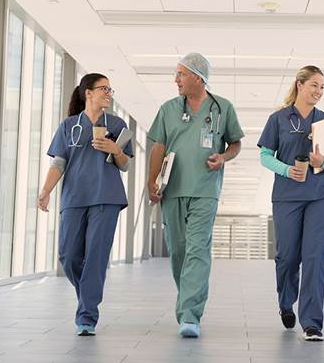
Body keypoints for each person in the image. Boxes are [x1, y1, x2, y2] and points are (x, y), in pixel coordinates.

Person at [147, 52, 244, 338]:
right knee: (178, 251)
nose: (175, 79)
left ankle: (190, 314)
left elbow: (235, 143)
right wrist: (151, 181)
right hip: (172, 189)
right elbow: (158, 147)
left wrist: (223, 157)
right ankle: (188, 298)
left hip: (204, 190)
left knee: (197, 249)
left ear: (198, 78)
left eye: (181, 74)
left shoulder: (223, 108)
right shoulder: (168, 109)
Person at [36, 73, 133, 336]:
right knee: (68, 256)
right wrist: (45, 191)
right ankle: (87, 295)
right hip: (74, 198)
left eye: (110, 89)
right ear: (88, 92)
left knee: (95, 259)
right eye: (104, 89)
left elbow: (125, 165)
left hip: (106, 197)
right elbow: (59, 163)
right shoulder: (69, 125)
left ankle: (87, 316)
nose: (108, 93)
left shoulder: (116, 124)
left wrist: (116, 150)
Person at [257, 65, 324, 342]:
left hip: (321, 194)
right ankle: (286, 302)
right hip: (287, 196)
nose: (319, 91)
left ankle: (312, 323)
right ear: (299, 84)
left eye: (322, 87)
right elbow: (265, 156)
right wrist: (286, 170)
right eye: (314, 85)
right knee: (287, 257)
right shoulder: (279, 119)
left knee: (315, 257)